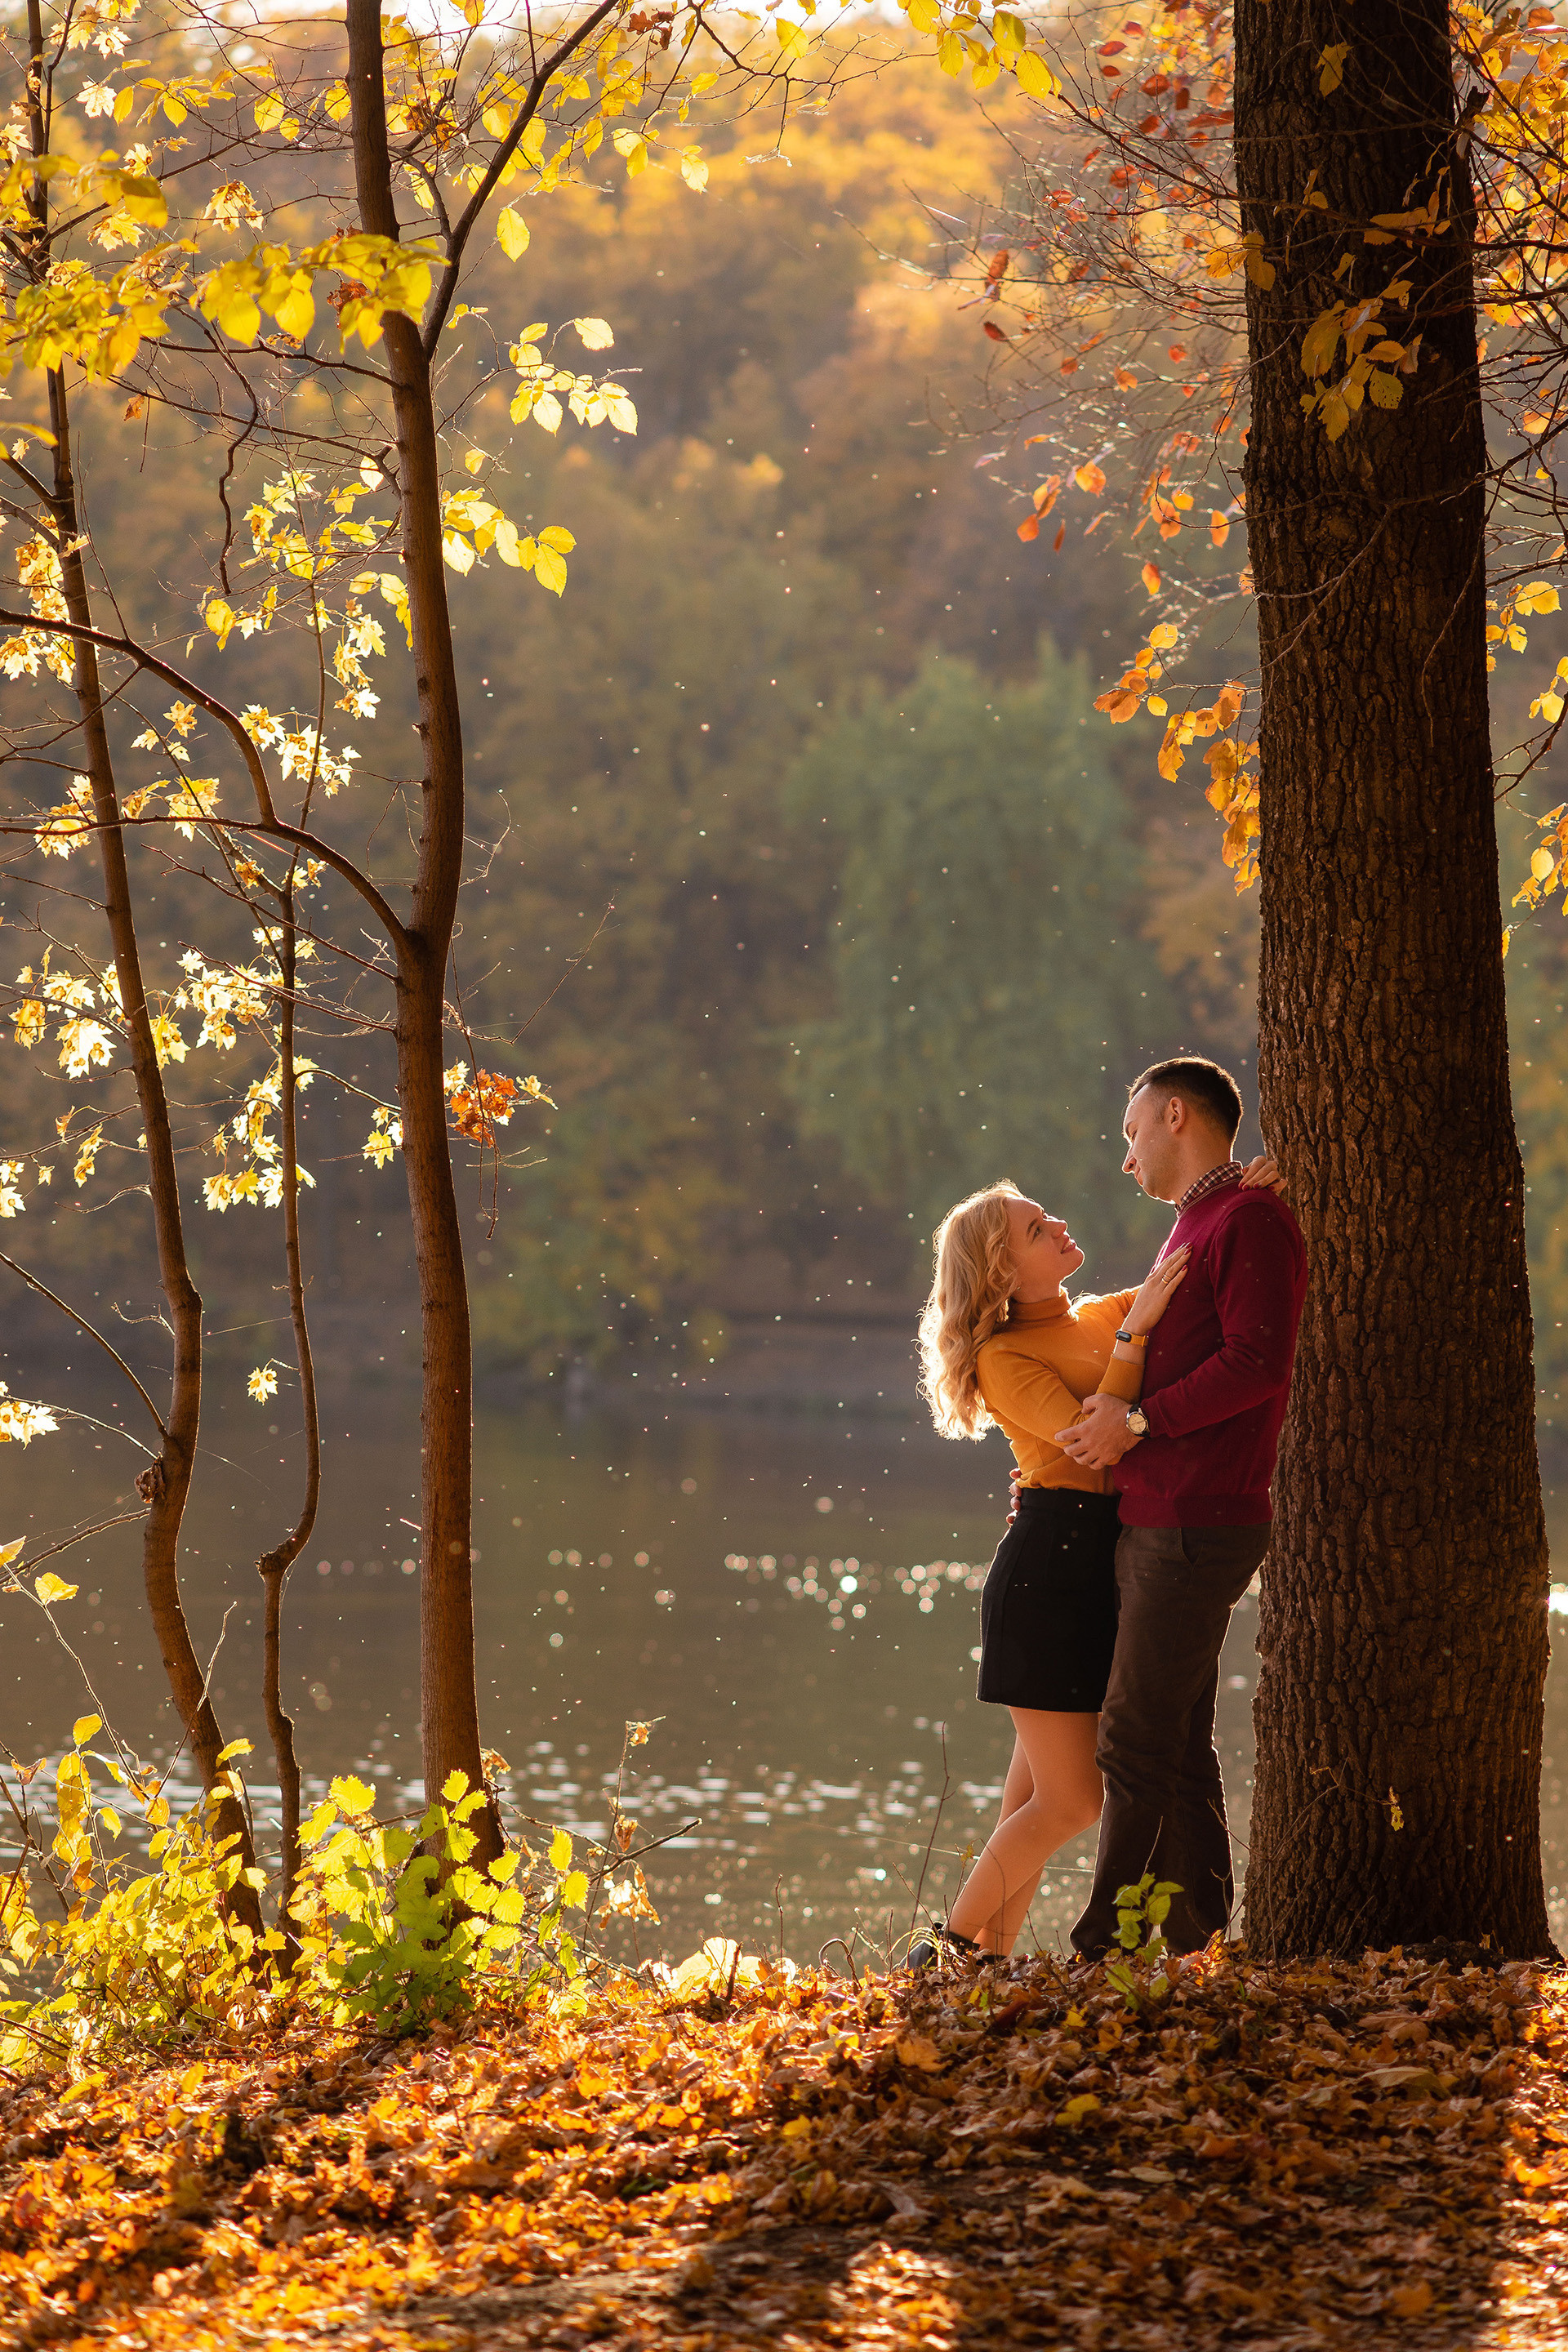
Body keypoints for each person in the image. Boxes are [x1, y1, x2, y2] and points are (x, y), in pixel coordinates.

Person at [910, 1149, 1281, 1966]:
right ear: (1006, 1268)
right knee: (1074, 1802)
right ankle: (946, 1959)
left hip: (1099, 1568)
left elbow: (1190, 1272)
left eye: (1048, 1215)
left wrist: (1243, 1194)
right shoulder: (1007, 1357)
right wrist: (1134, 1332)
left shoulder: (1096, 1314)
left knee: (1034, 1798)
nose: (1061, 1227)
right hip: (1048, 1571)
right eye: (1039, 1230)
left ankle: (989, 1967)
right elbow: (1092, 1438)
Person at [1053, 1056, 1307, 1961]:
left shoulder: (1248, 1220)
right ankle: (1198, 1938)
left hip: (1200, 1517)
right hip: (1157, 1512)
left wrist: (1143, 1419)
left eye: (1129, 1136)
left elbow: (1257, 1363)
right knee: (1178, 1737)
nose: (1125, 1160)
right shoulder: (1213, 1214)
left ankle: (1101, 1951)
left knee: (1130, 1737)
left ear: (1171, 1116)